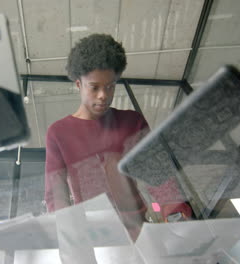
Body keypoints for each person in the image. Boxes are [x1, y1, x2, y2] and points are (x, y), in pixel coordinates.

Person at [44, 34, 191, 241]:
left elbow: (157, 174)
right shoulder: (58, 133)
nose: (103, 94)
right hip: (92, 234)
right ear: (78, 84)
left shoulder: (133, 122)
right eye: (94, 87)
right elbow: (55, 193)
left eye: (110, 86)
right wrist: (68, 235)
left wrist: (175, 211)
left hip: (139, 231)